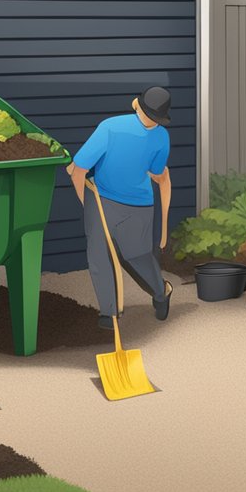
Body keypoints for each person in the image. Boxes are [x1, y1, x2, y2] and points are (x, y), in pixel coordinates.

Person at [67, 86, 173, 329]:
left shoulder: (110, 127)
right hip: (141, 204)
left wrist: (87, 204)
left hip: (106, 198)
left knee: (109, 256)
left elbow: (78, 170)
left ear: (136, 103)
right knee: (131, 256)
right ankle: (116, 310)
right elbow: (157, 174)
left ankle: (142, 298)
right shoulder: (162, 136)